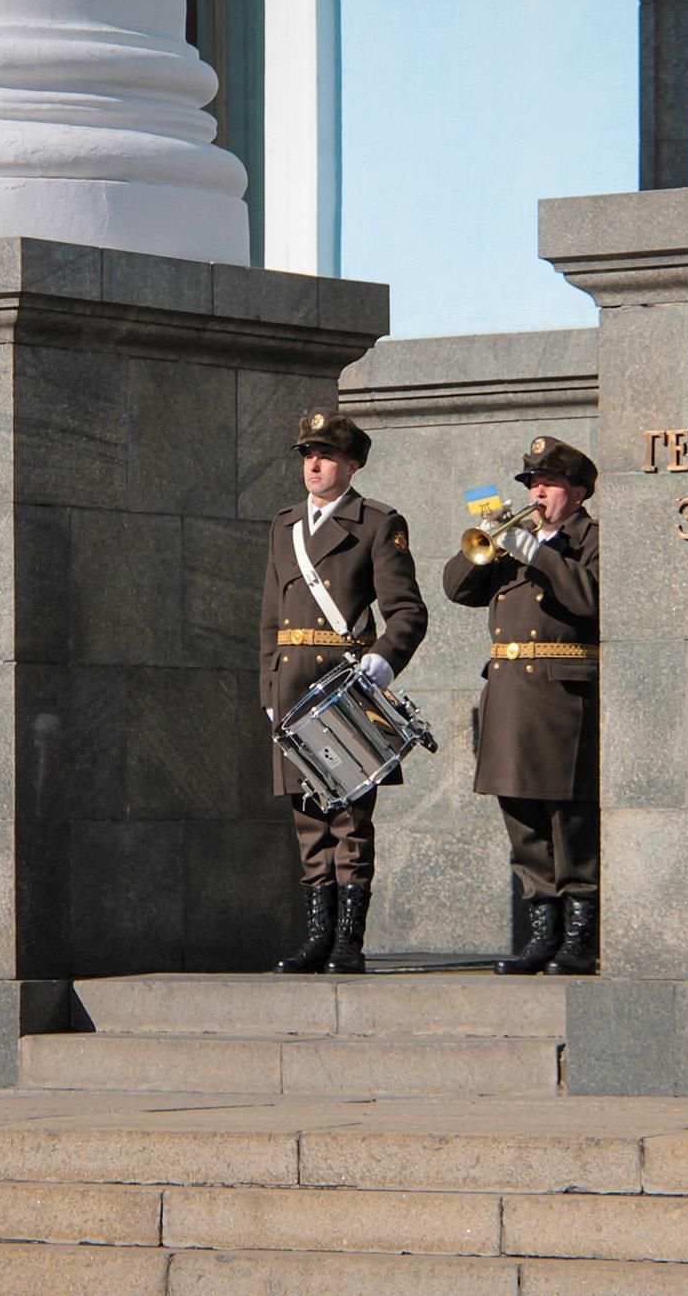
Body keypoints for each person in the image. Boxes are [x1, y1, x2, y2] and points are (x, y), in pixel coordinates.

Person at [259, 411, 428, 974]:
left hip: (343, 686)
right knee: (308, 817)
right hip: (292, 686)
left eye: (326, 455)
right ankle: (316, 938)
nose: (313, 464)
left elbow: (407, 611)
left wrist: (381, 662)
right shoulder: (284, 524)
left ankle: (347, 944)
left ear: (352, 465)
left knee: (349, 820)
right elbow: (270, 619)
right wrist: (269, 687)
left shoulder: (377, 522)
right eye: (308, 454)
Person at [442, 437, 601, 975]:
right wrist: (488, 540)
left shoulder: (591, 540)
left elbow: (591, 599)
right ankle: (542, 930)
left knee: (568, 821)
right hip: (509, 696)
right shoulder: (512, 539)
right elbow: (456, 588)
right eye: (532, 484)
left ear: (577, 494)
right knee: (522, 820)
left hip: (562, 697)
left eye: (549, 484)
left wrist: (542, 556)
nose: (537, 492)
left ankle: (579, 937)